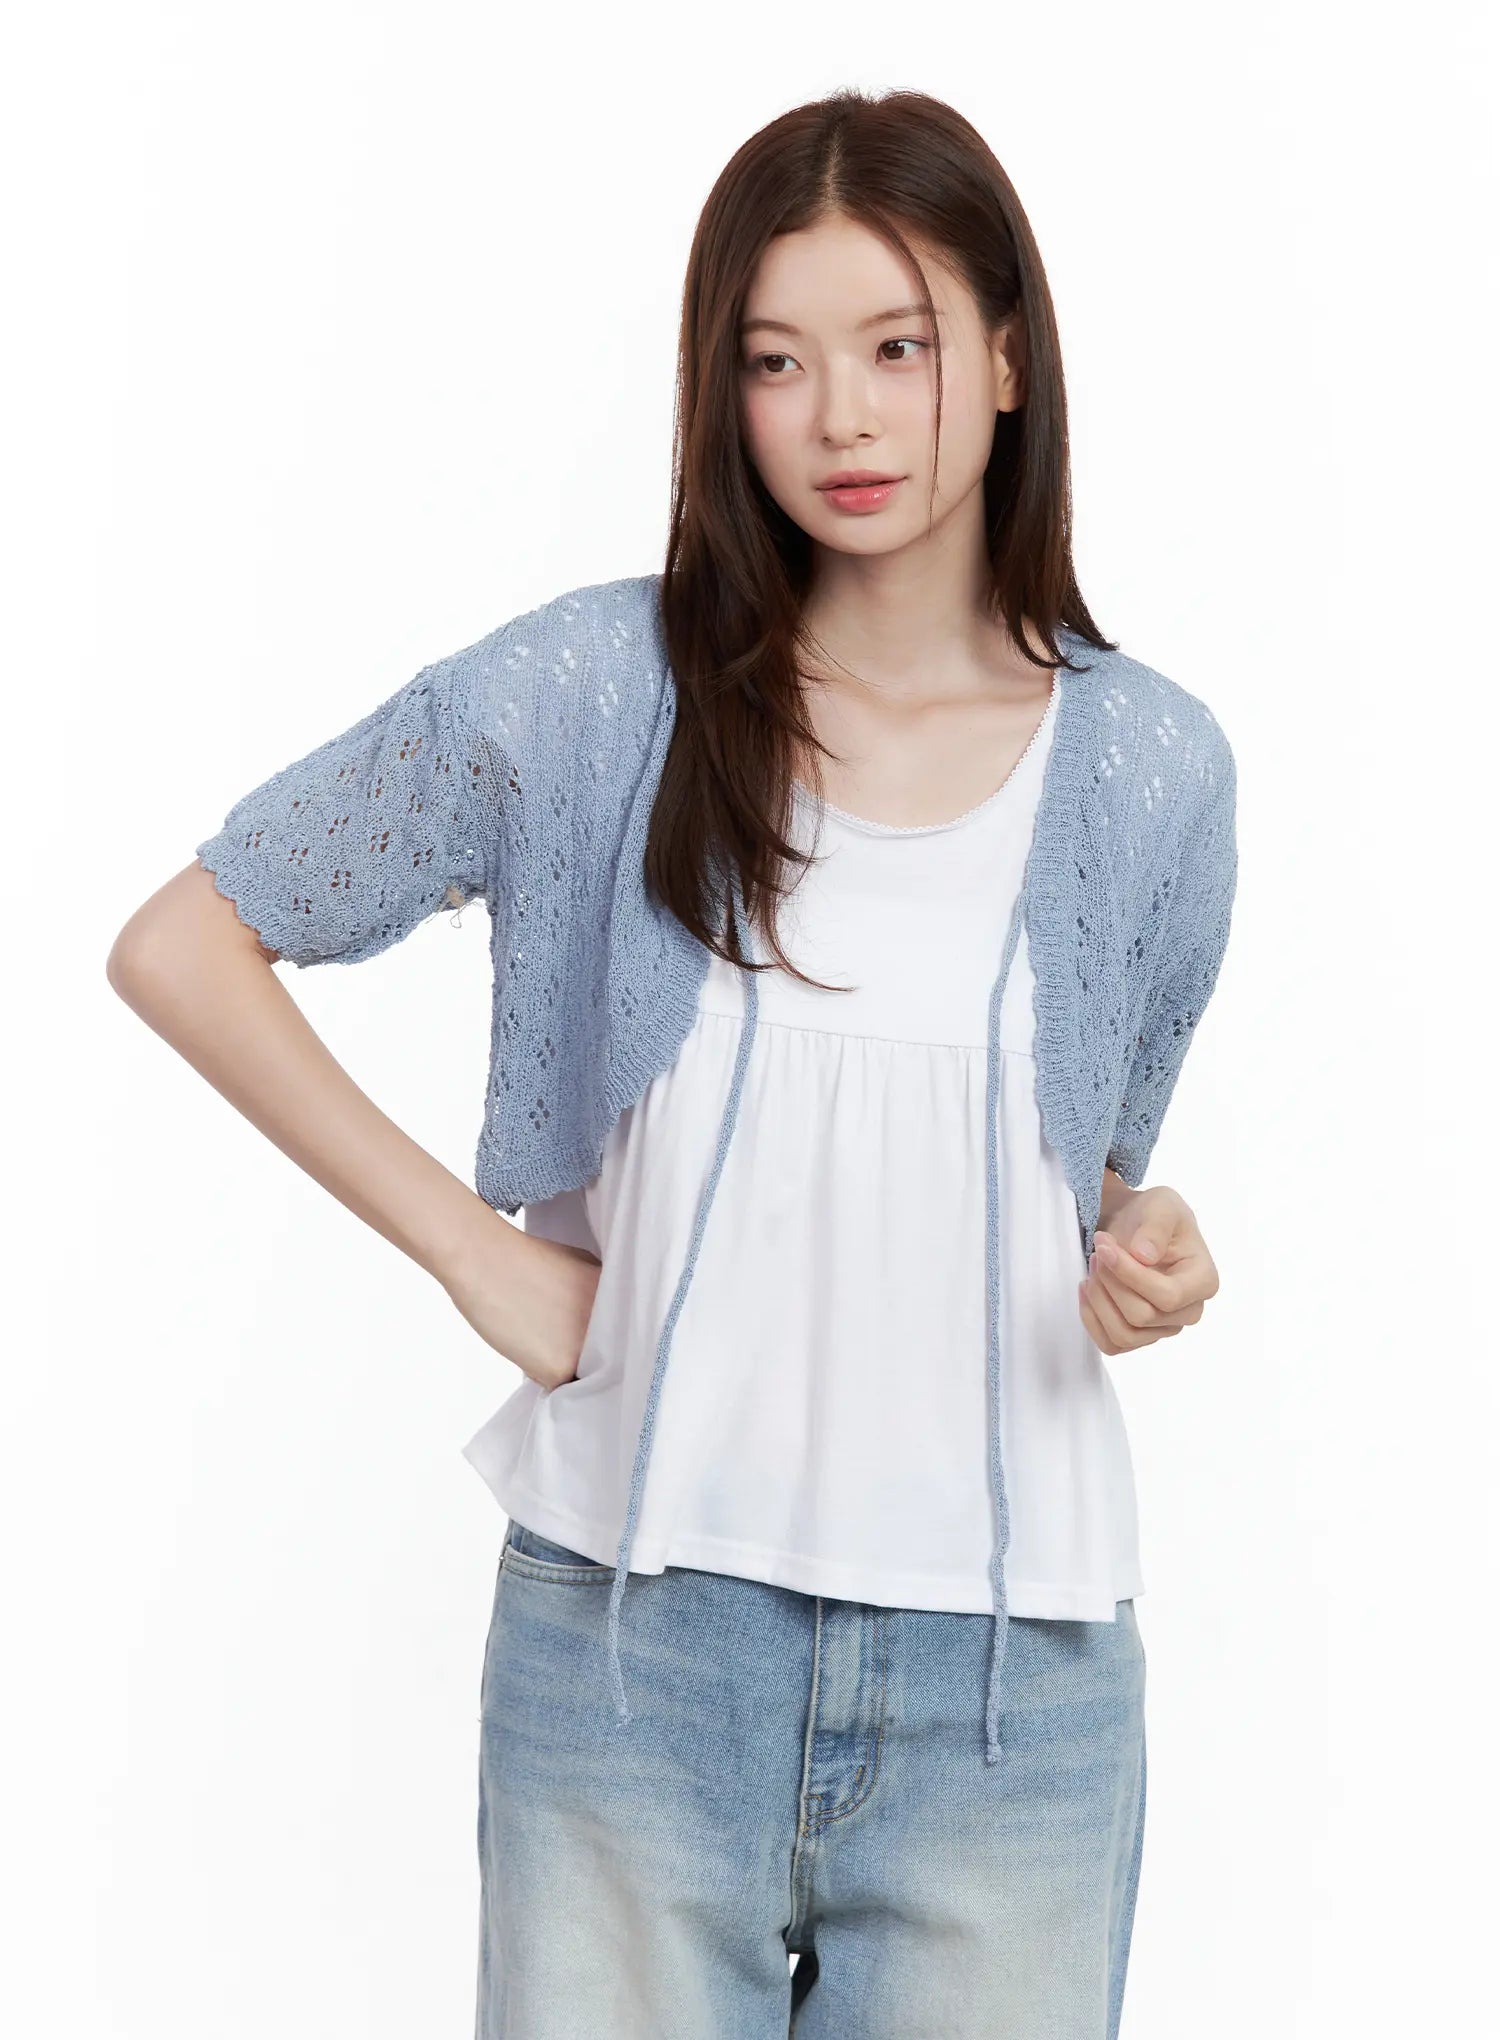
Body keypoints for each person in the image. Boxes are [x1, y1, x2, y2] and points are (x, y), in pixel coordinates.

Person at [107, 86, 1238, 2040]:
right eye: (776, 362)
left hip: (1014, 1703)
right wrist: (472, 1254)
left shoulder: (1155, 769)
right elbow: (186, 942)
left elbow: (1079, 1180)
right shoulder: (592, 696)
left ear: (1007, 359)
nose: (843, 418)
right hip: (633, 1658)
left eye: (898, 348)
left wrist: (1153, 1249)